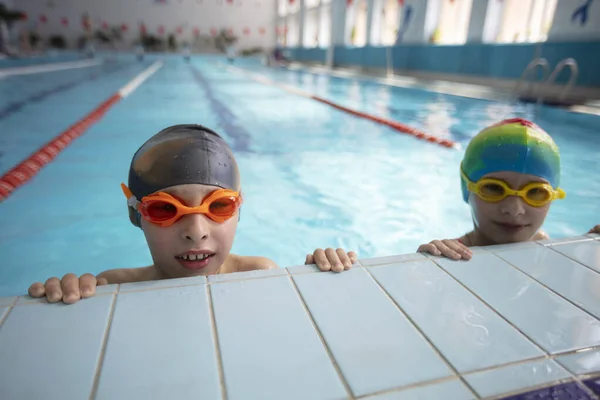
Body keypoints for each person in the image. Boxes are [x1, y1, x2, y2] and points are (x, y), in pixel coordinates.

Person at [28, 125, 356, 304]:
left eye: (219, 206)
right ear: (136, 215)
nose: (196, 231)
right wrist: (64, 296)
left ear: (239, 210)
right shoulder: (113, 286)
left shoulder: (259, 274)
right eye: (164, 209)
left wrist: (323, 279)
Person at [417, 118, 600, 260]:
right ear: (467, 189)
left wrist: (587, 249)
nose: (514, 210)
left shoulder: (542, 241)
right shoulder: (451, 254)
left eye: (536, 192)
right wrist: (426, 264)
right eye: (494, 188)